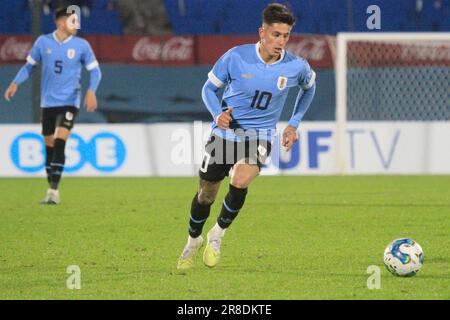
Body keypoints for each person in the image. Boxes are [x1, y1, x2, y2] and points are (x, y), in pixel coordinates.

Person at [177, 3, 316, 270]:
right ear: (262, 32)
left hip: (260, 136)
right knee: (206, 194)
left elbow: (309, 88)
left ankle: (217, 234)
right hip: (225, 134)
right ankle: (192, 241)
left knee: (240, 180)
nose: (281, 41)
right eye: (276, 34)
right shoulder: (236, 57)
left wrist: (293, 124)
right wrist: (218, 113)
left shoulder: (296, 66)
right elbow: (208, 89)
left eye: (286, 35)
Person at [4, 5, 102, 204]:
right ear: (60, 22)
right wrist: (15, 82)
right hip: (48, 102)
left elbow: (96, 71)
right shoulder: (43, 42)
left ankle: (53, 190)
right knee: (49, 147)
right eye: (72, 20)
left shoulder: (82, 45)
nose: (76, 24)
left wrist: (91, 91)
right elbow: (29, 67)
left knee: (60, 142)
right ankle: (51, 186)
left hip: (70, 102)